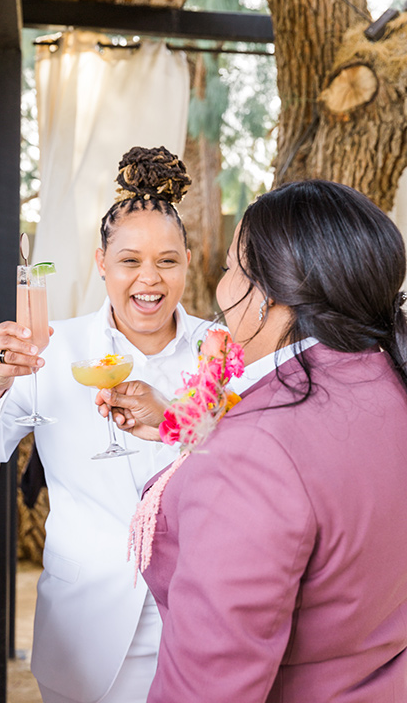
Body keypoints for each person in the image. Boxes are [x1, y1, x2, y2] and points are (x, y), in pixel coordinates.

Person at [0, 146, 241, 703]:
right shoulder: (54, 349)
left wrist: (178, 421)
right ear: (101, 262)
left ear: (189, 262)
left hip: (200, 623)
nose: (149, 280)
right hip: (84, 632)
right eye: (129, 260)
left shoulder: (220, 352)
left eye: (167, 261)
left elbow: (252, 469)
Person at [98, 179, 407, 702]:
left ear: (264, 296)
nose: (219, 289)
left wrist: (225, 448)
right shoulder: (387, 380)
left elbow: (208, 687)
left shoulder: (253, 452)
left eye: (227, 270)